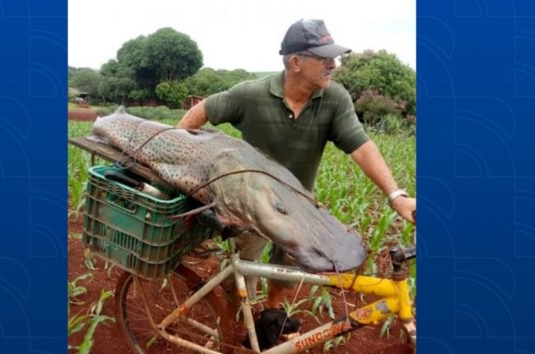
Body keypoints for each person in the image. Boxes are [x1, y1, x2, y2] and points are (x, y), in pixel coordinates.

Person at [177, 18, 416, 310]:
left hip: (299, 209)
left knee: (288, 272)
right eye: (325, 58)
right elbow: (201, 111)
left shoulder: (334, 99)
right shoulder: (251, 94)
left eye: (335, 57)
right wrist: (181, 153)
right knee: (242, 271)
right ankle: (237, 321)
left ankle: (272, 313)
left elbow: (361, 147)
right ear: (296, 62)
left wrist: (396, 196)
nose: (334, 65)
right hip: (251, 206)